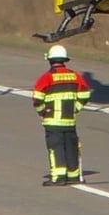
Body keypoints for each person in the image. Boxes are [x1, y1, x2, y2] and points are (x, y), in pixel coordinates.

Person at [32, 44, 91, 186]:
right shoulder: (75, 76)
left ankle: (58, 178)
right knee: (71, 148)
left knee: (56, 148)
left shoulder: (46, 78)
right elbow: (85, 94)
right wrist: (75, 109)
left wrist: (42, 112)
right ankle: (73, 176)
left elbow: (37, 99)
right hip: (69, 121)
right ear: (64, 60)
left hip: (53, 121)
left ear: (50, 60)